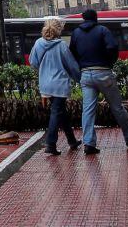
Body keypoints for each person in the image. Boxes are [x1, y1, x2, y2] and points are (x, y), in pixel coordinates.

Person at [70, 8, 128, 154]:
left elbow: (72, 52)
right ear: (95, 18)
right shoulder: (102, 30)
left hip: (85, 74)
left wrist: (82, 64)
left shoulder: (76, 33)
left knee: (88, 110)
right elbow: (112, 47)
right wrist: (109, 63)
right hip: (103, 72)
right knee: (117, 107)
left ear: (83, 19)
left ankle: (89, 143)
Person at [29, 17, 82, 155]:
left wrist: (44, 69)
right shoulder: (61, 45)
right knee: (56, 111)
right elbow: (71, 66)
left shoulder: (38, 43)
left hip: (45, 84)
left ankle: (72, 140)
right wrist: (80, 79)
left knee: (60, 112)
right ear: (59, 30)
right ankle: (50, 144)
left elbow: (33, 62)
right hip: (59, 84)